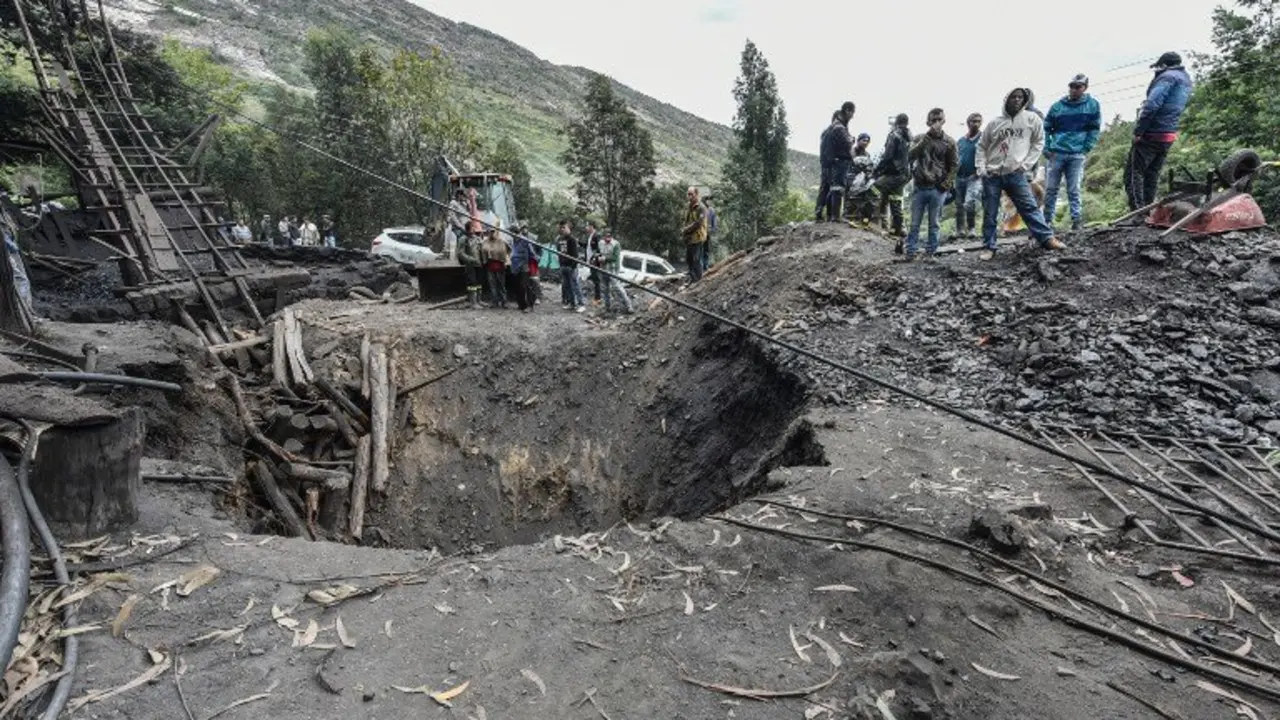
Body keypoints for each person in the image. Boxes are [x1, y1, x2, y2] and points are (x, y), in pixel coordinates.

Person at [976, 88, 1063, 260]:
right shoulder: (995, 123)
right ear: (1006, 99)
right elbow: (981, 147)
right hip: (992, 174)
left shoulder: (1031, 119)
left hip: (1016, 173)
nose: (1017, 100)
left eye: (1020, 97)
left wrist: (1026, 165)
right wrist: (981, 168)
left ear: (1024, 100)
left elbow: (1039, 142)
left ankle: (1047, 239)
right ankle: (989, 247)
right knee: (990, 212)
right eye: (1013, 97)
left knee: (1029, 207)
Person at [1126, 52, 1193, 211]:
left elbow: (1152, 105)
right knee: (1152, 174)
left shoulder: (1166, 78)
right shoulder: (1186, 80)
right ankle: (1148, 211)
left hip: (1152, 132)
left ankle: (1137, 213)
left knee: (1133, 174)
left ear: (1164, 65)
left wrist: (1139, 131)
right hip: (1168, 134)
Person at [1042, 74, 1102, 231]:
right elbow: (1046, 128)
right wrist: (1047, 148)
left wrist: (1086, 148)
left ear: (1085, 88)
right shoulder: (1057, 107)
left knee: (1073, 189)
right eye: (1072, 86)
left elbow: (1094, 129)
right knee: (1051, 189)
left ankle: (1076, 221)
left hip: (1076, 154)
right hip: (1056, 153)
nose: (1074, 89)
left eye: (1078, 86)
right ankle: (1047, 221)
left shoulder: (1092, 105)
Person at [901, 108, 958, 261]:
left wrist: (946, 184)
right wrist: (926, 138)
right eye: (933, 120)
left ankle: (930, 253)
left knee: (934, 223)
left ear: (944, 120)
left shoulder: (950, 141)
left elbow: (954, 165)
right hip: (919, 187)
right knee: (914, 224)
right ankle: (910, 252)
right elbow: (909, 156)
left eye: (939, 119)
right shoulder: (920, 138)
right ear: (928, 122)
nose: (936, 123)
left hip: (937, 188)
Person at [874, 113, 911, 242]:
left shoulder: (894, 135)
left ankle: (870, 222)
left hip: (894, 173)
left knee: (873, 189)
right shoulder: (908, 136)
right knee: (896, 201)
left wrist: (877, 170)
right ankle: (897, 230)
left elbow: (888, 156)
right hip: (904, 175)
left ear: (896, 122)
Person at [823, 101, 856, 222]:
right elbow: (848, 144)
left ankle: (831, 215)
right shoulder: (840, 128)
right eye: (852, 112)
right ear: (847, 111)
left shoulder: (835, 126)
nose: (853, 116)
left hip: (834, 161)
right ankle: (835, 217)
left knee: (834, 188)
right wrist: (852, 140)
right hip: (840, 161)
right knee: (838, 188)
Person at [953, 113, 983, 239]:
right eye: (973, 121)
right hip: (960, 176)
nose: (976, 124)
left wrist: (979, 172)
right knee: (959, 203)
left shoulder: (982, 139)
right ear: (968, 123)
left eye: (978, 121)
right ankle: (960, 230)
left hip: (974, 176)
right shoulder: (961, 141)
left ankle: (971, 228)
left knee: (970, 202)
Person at [813, 111, 840, 222]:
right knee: (825, 189)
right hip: (828, 165)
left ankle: (829, 215)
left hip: (831, 164)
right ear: (834, 119)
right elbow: (827, 149)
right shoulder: (829, 131)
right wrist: (832, 160)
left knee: (831, 189)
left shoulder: (834, 131)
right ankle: (819, 214)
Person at [599, 229, 633, 314]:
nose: (607, 238)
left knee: (617, 287)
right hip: (603, 268)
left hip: (612, 269)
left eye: (609, 236)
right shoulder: (601, 243)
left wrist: (605, 259)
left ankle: (628, 305)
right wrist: (597, 258)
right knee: (604, 289)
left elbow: (615, 257)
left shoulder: (616, 244)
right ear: (603, 237)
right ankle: (607, 307)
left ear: (611, 236)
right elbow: (599, 253)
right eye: (606, 236)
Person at [556, 220, 585, 312]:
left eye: (564, 227)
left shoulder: (572, 239)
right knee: (567, 286)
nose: (562, 229)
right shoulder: (560, 239)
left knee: (575, 285)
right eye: (561, 227)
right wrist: (560, 265)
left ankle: (581, 304)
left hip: (571, 267)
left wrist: (573, 266)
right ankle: (571, 303)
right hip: (563, 266)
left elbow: (575, 255)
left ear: (569, 228)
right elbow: (559, 253)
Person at [681, 187, 708, 282]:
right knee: (689, 260)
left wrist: (686, 229)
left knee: (696, 260)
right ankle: (692, 278)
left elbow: (698, 223)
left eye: (691, 194)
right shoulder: (688, 206)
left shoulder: (701, 207)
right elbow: (685, 219)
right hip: (689, 237)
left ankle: (698, 280)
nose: (689, 196)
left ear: (696, 194)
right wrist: (684, 230)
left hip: (697, 237)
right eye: (688, 194)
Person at [456, 220, 484, 309]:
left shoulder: (477, 238)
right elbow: (460, 253)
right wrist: (471, 259)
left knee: (479, 282)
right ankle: (473, 302)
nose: (474, 229)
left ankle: (479, 300)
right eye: (472, 227)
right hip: (470, 265)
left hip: (479, 264)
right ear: (468, 229)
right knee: (472, 284)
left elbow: (482, 249)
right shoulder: (463, 239)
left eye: (474, 227)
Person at [480, 229, 510, 308]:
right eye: (490, 231)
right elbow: (483, 250)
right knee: (492, 285)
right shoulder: (485, 242)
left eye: (493, 231)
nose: (492, 233)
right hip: (490, 265)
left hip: (500, 265)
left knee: (501, 285)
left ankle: (504, 301)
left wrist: (506, 261)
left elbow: (508, 250)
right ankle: (495, 301)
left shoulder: (501, 241)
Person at [510, 226, 537, 312]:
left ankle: (530, 305)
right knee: (517, 286)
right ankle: (521, 305)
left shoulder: (525, 241)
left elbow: (532, 253)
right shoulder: (513, 241)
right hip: (515, 266)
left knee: (525, 286)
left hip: (524, 267)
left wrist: (533, 265)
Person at [583, 221, 603, 303]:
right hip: (589, 260)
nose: (586, 228)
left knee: (596, 279)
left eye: (587, 226)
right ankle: (594, 295)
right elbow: (587, 247)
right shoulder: (590, 236)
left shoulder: (596, 235)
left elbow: (599, 248)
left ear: (591, 227)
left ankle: (598, 298)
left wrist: (595, 257)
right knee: (592, 278)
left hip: (594, 261)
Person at [703, 196, 718, 273]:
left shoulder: (711, 210)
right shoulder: (701, 209)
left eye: (710, 200)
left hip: (706, 233)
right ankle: (701, 267)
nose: (709, 202)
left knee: (705, 250)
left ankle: (704, 267)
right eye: (708, 200)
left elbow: (714, 224)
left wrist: (710, 230)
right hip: (699, 233)